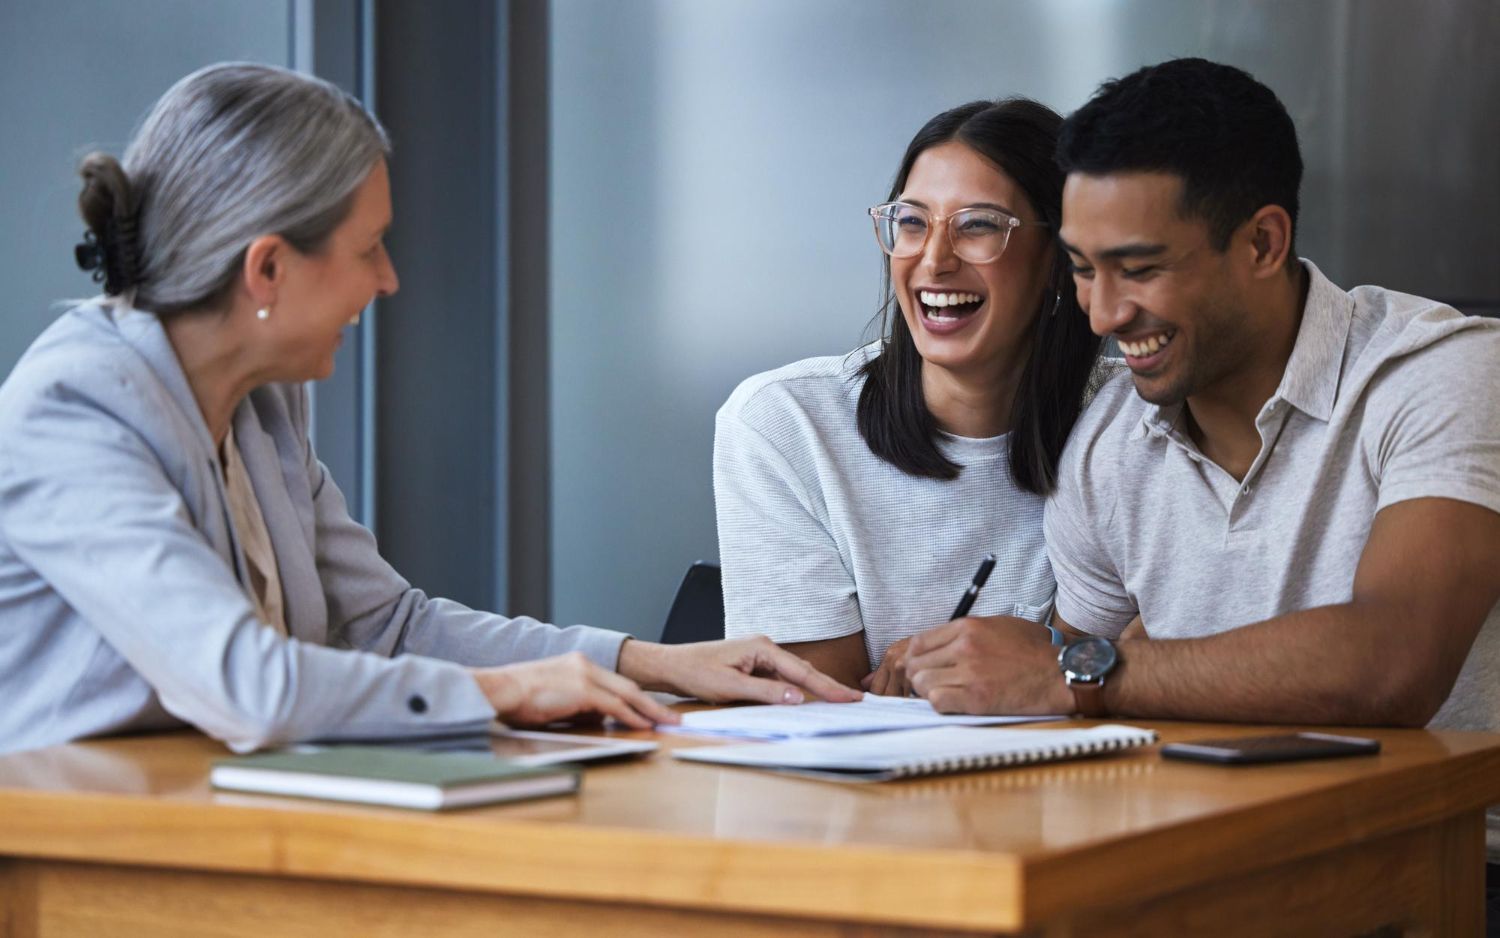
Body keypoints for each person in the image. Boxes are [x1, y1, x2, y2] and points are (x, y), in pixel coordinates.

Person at [0, 62, 858, 756]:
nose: (389, 279)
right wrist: (507, 692)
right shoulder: (74, 409)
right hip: (63, 855)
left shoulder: (264, 402)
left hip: (210, 819)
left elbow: (386, 624)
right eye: (369, 247)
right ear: (267, 270)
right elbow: (245, 686)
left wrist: (654, 662)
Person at [903, 55, 1500, 889]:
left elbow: (1395, 662)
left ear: (1262, 242)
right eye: (1081, 268)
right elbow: (1072, 678)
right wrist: (967, 677)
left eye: (1140, 269)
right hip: (1210, 864)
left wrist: (1078, 672)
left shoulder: (1444, 373)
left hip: (1450, 868)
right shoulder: (1108, 442)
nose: (1105, 315)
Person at [715, 98, 1102, 693]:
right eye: (913, 222)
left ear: (1058, 258)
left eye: (978, 225)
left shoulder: (1136, 425)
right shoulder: (786, 424)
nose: (934, 260)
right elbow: (815, 709)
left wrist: (1047, 659)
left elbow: (1169, 665)